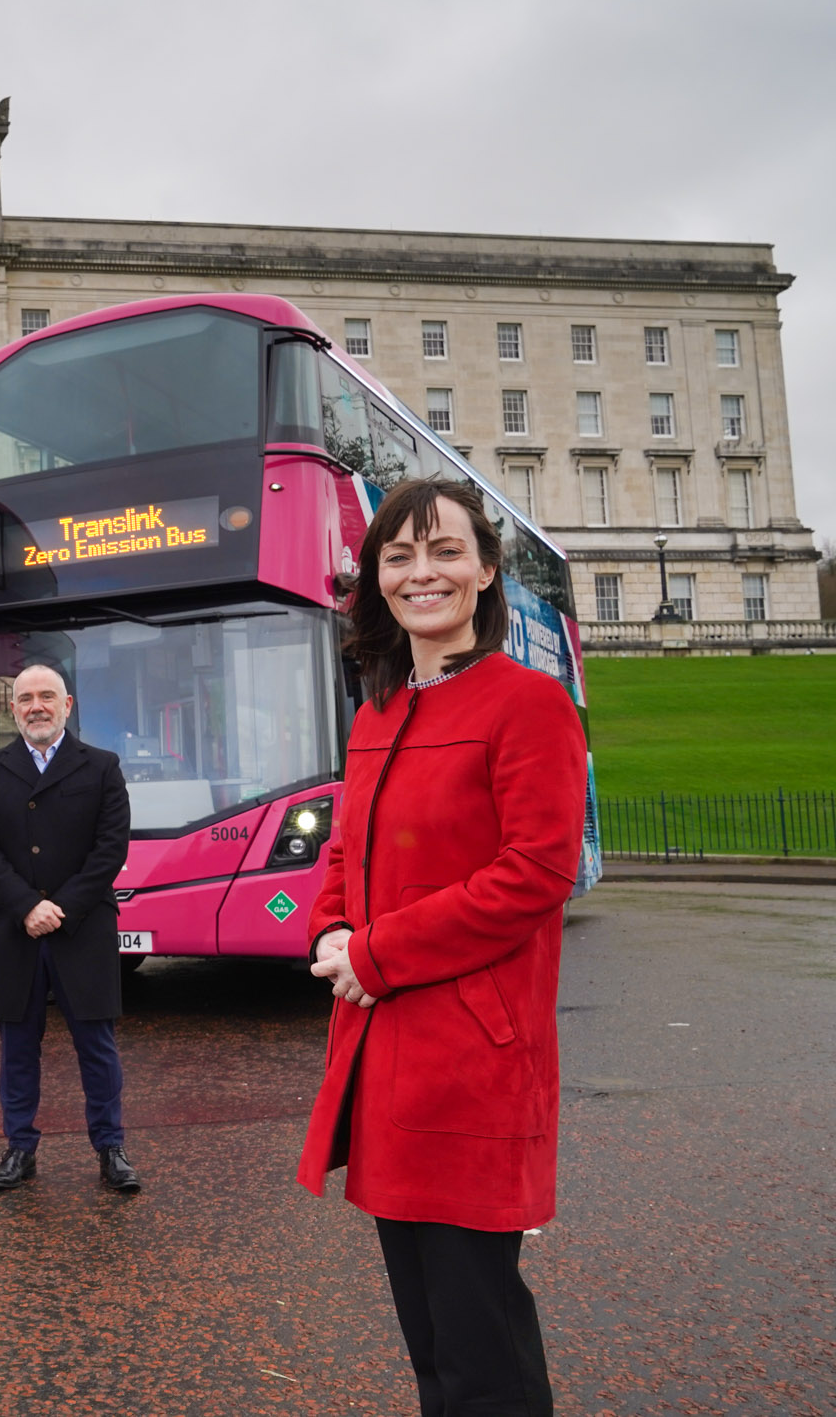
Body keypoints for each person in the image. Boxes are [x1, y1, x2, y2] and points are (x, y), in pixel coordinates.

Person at [298, 477, 587, 1417]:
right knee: (429, 1344)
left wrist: (374, 954)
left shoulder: (529, 703)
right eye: (399, 556)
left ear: (485, 570)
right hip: (386, 1059)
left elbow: (533, 875)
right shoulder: (378, 712)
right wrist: (332, 925)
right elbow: (347, 847)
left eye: (445, 551)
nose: (423, 573)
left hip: (472, 1060)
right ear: (377, 579)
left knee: (482, 1354)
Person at [0, 661, 140, 1195]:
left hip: (81, 928)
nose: (36, 706)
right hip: (14, 931)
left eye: (47, 696)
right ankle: (20, 1147)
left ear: (68, 705)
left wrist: (60, 908)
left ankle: (111, 1149)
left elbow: (111, 849)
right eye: (25, 698)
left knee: (97, 1045)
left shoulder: (102, 766)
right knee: (17, 1048)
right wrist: (26, 907)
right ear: (12, 708)